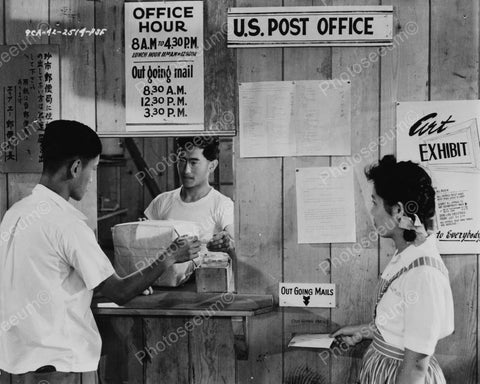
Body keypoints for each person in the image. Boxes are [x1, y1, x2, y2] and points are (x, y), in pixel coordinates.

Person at [0, 120, 200, 383]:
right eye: (92, 169)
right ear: (75, 168)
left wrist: (140, 279)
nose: (91, 178)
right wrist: (170, 256)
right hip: (61, 367)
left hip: (14, 367)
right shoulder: (67, 223)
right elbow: (119, 292)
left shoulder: (15, 214)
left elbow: (50, 278)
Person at [331, 155, 454, 384]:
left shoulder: (424, 275)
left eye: (375, 203)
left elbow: (416, 365)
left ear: (398, 211)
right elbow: (400, 324)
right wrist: (361, 332)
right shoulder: (407, 254)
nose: (372, 211)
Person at [144, 136, 234, 255]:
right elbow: (143, 245)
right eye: (182, 161)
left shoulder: (223, 205)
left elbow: (236, 244)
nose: (186, 170)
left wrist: (228, 243)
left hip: (206, 273)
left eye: (193, 163)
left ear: (212, 166)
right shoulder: (161, 201)